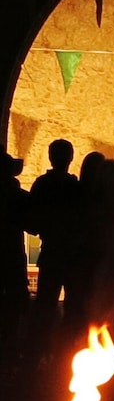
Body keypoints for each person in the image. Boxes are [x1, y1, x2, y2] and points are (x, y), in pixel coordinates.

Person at [24, 139, 81, 367]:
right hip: (73, 256)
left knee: (44, 308)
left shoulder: (42, 185)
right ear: (70, 158)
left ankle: (33, 357)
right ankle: (65, 357)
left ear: (50, 157)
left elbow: (31, 222)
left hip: (51, 254)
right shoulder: (76, 188)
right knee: (73, 308)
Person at [0, 153, 29, 369]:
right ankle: (10, 355)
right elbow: (33, 224)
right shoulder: (17, 196)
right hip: (12, 260)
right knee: (13, 309)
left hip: (11, 260)